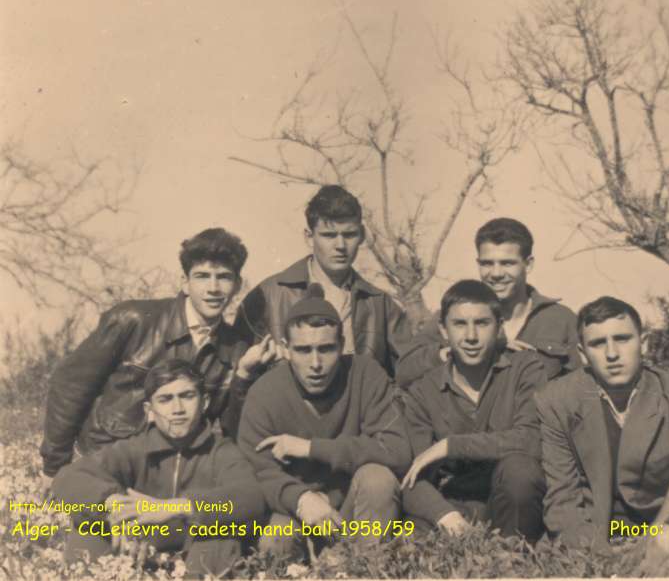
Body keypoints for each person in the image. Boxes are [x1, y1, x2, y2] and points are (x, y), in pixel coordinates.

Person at [536, 296, 669, 576]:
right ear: (582, 352)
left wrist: (667, 534)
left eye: (622, 339)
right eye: (598, 344)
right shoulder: (557, 399)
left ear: (644, 341)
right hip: (599, 536)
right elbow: (562, 498)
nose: (612, 354)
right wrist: (597, 560)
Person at [40, 228, 249, 487]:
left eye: (224, 277)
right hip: (103, 465)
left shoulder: (238, 349)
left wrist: (242, 380)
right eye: (202, 276)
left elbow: (232, 431)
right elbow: (69, 385)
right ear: (185, 281)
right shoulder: (132, 320)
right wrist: (54, 467)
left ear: (238, 284)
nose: (213, 288)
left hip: (170, 478)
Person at [237, 286, 411, 557]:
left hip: (355, 510)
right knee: (275, 538)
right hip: (296, 512)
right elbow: (257, 470)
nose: (315, 363)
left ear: (342, 346)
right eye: (303, 350)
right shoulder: (264, 392)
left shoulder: (366, 373)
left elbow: (397, 450)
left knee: (379, 479)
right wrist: (300, 498)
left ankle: (365, 567)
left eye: (326, 349)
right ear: (285, 349)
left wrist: (311, 448)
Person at [52, 359, 264, 576]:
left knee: (221, 535)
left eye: (187, 396)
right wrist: (113, 505)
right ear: (149, 410)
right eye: (165, 399)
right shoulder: (133, 449)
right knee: (87, 529)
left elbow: (251, 496)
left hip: (195, 552)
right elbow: (67, 478)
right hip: (134, 549)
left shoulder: (222, 451)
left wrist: (174, 507)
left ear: (205, 402)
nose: (177, 409)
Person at [400, 280, 559, 541]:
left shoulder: (525, 369)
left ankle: (513, 556)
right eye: (460, 324)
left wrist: (452, 445)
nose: (471, 337)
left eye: (482, 323)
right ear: (443, 330)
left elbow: (532, 440)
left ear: (499, 328)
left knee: (520, 469)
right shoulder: (422, 391)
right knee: (410, 544)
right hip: (453, 504)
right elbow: (412, 475)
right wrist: (445, 515)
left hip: (510, 504)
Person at [233, 185, 410, 374]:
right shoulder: (267, 296)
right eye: (329, 235)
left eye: (349, 235)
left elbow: (410, 375)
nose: (340, 245)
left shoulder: (380, 304)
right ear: (309, 237)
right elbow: (239, 376)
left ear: (362, 236)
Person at [395, 217, 579, 388]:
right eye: (487, 264)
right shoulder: (454, 317)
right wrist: (459, 349)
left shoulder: (560, 319)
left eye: (507, 263)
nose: (496, 274)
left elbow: (584, 388)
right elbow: (403, 372)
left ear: (528, 264)